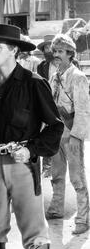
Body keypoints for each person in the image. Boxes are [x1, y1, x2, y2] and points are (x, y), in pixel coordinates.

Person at [0, 24, 64, 249]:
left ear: (13, 50)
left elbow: (55, 127)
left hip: (22, 165)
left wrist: (30, 150)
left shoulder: (34, 83)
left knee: (36, 232)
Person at [45, 34, 90, 235]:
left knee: (77, 178)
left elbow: (83, 109)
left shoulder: (78, 77)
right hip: (56, 135)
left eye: (60, 51)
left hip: (72, 133)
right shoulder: (54, 77)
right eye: (54, 51)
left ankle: (83, 218)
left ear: (70, 54)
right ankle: (56, 209)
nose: (56, 55)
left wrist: (76, 136)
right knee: (56, 175)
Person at [36, 34, 57, 178]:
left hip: (62, 104)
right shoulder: (41, 66)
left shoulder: (69, 62)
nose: (47, 50)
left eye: (50, 47)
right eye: (45, 48)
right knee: (45, 134)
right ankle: (47, 166)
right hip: (46, 102)